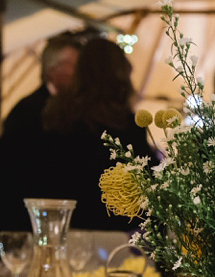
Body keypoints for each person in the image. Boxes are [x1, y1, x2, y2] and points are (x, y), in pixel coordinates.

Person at [39, 37, 155, 231]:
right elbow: (145, 191)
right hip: (118, 236)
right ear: (122, 74)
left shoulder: (58, 118)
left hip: (67, 231)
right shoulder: (127, 125)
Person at [0, 32, 83, 230]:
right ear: (52, 70)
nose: (78, 74)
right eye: (73, 66)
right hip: (19, 216)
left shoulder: (64, 110)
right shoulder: (31, 110)